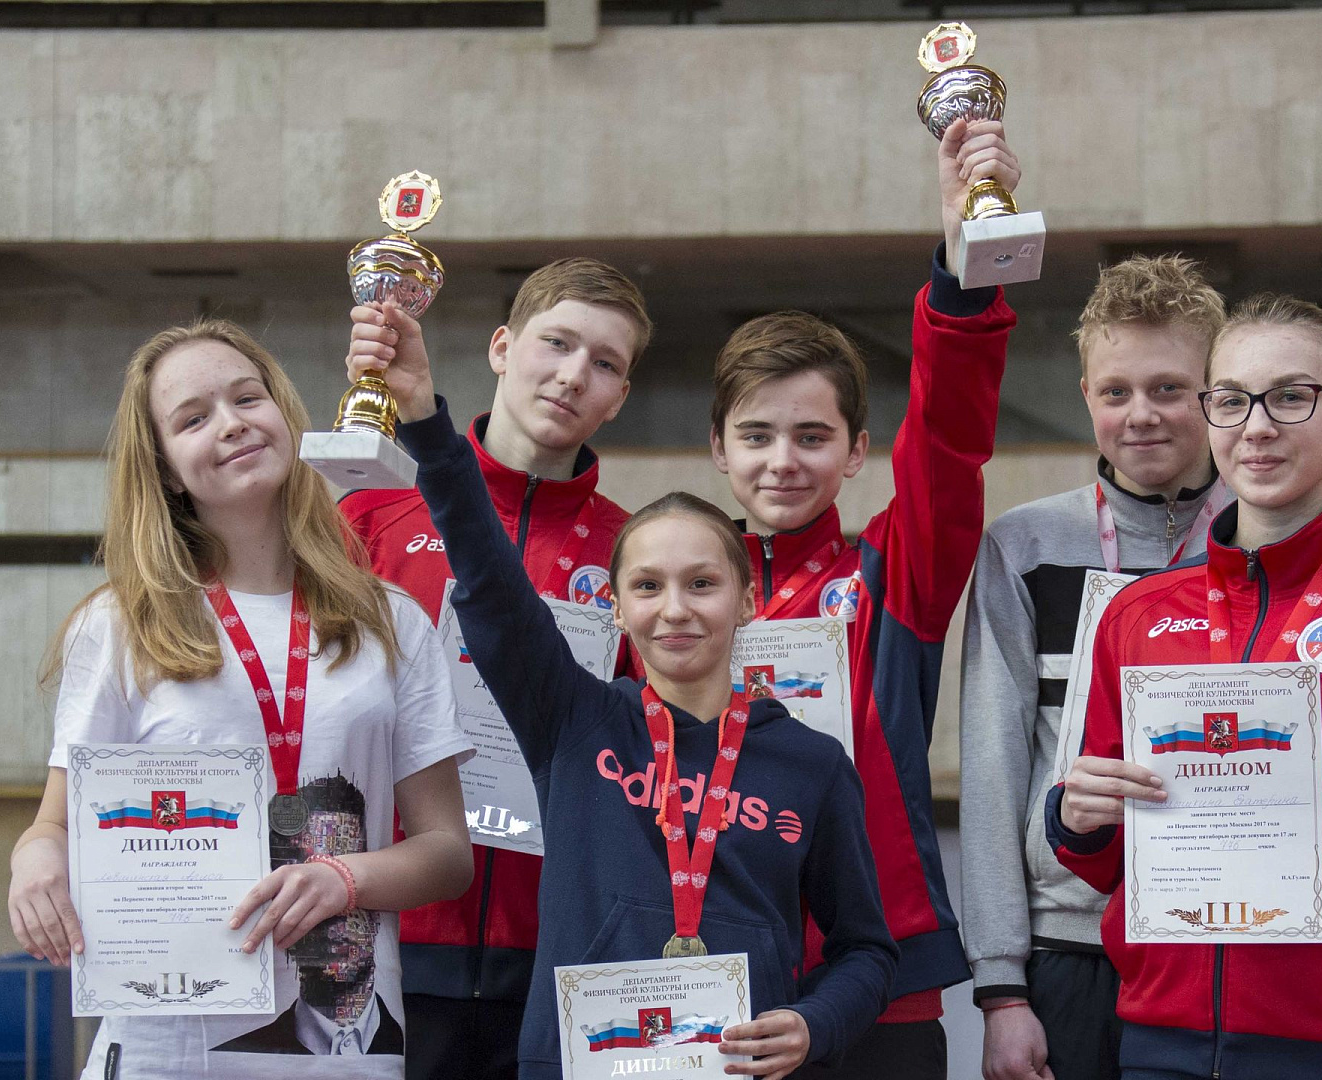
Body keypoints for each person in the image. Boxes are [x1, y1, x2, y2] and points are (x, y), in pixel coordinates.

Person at [347, 301, 900, 1080]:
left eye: (703, 583)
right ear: (614, 605)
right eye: (648, 584)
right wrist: (426, 427)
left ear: (744, 600)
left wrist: (818, 1022)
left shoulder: (811, 764)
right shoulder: (573, 722)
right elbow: (491, 577)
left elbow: (867, 951)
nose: (675, 608)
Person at [6, 320, 475, 1079]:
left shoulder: (391, 620)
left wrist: (343, 878)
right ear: (164, 468)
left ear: (284, 415)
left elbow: (448, 854)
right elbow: (51, 827)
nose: (231, 424)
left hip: (347, 1052)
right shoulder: (123, 624)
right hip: (168, 1044)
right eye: (193, 418)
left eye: (247, 398)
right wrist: (33, 867)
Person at [1049, 294, 1322, 1080]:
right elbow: (1114, 857)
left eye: (1292, 397)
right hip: (1161, 1045)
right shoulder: (1136, 613)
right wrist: (1077, 819)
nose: (1257, 426)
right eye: (1231, 400)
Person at [705, 117, 1018, 1079]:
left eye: (811, 435)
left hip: (878, 975)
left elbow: (951, 441)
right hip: (716, 967)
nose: (783, 460)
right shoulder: (674, 593)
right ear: (718, 451)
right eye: (756, 436)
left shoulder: (891, 577)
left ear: (856, 453)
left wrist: (966, 260)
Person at [341, 257, 650, 1080]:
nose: (574, 374)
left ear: (619, 397)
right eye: (557, 343)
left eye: (606, 364)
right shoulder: (373, 512)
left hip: (551, 959)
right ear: (503, 347)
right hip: (385, 945)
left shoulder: (634, 554)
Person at [959, 255, 1231, 1080]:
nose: (1140, 415)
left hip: (1228, 938)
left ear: (1217, 394)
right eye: (1116, 392)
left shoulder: (1261, 544)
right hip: (1067, 947)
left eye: (1169, 388)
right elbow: (994, 762)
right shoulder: (1025, 547)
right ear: (1086, 398)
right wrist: (1002, 988)